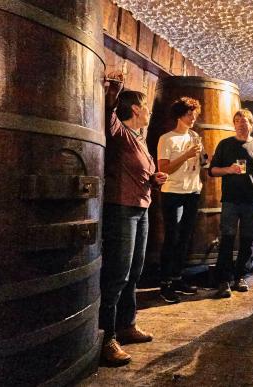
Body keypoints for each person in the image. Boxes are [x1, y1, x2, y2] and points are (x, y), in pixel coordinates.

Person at [100, 72, 168, 366]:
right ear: (136, 109)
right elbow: (107, 111)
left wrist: (154, 179)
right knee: (118, 273)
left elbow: (143, 175)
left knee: (135, 271)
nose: (150, 112)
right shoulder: (119, 132)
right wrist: (116, 86)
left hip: (141, 208)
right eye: (147, 107)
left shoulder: (139, 140)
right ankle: (106, 337)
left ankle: (127, 325)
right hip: (122, 208)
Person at [209, 109, 253, 298]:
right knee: (227, 239)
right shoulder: (225, 144)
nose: (241, 124)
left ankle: (240, 276)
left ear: (252, 124)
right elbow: (212, 171)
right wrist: (228, 169)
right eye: (238, 121)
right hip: (230, 200)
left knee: (247, 240)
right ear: (234, 124)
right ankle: (224, 280)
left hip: (250, 202)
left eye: (245, 121)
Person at [157, 97, 205, 304]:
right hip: (173, 192)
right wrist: (186, 155)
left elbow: (202, 164)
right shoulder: (167, 139)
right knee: (172, 237)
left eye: (195, 114)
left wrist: (203, 158)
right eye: (189, 114)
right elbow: (164, 169)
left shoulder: (195, 136)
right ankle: (165, 283)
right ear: (179, 115)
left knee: (185, 237)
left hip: (193, 191)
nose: (193, 117)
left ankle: (177, 278)